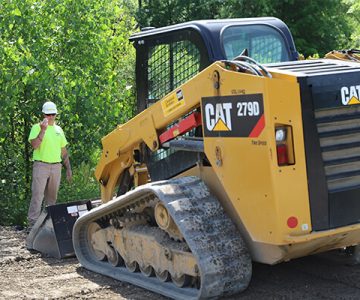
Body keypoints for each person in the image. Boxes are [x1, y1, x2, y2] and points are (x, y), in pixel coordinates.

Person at [27, 101, 72, 228]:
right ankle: (32, 225)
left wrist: (68, 168)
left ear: (56, 114)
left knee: (52, 197)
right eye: (48, 114)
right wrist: (42, 130)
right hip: (41, 165)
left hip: (56, 166)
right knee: (37, 195)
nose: (51, 117)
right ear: (43, 114)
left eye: (53, 114)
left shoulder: (59, 130)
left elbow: (63, 151)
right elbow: (35, 145)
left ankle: (47, 224)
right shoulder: (36, 127)